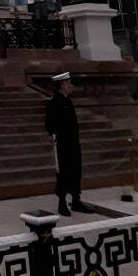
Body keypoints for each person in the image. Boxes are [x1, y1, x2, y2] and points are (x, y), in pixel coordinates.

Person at [45, 72, 94, 216]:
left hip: (73, 142)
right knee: (63, 172)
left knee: (75, 170)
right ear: (63, 85)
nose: (72, 86)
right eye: (69, 83)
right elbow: (50, 123)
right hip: (63, 143)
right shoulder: (55, 102)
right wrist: (54, 136)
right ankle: (62, 202)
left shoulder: (68, 100)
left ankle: (76, 199)